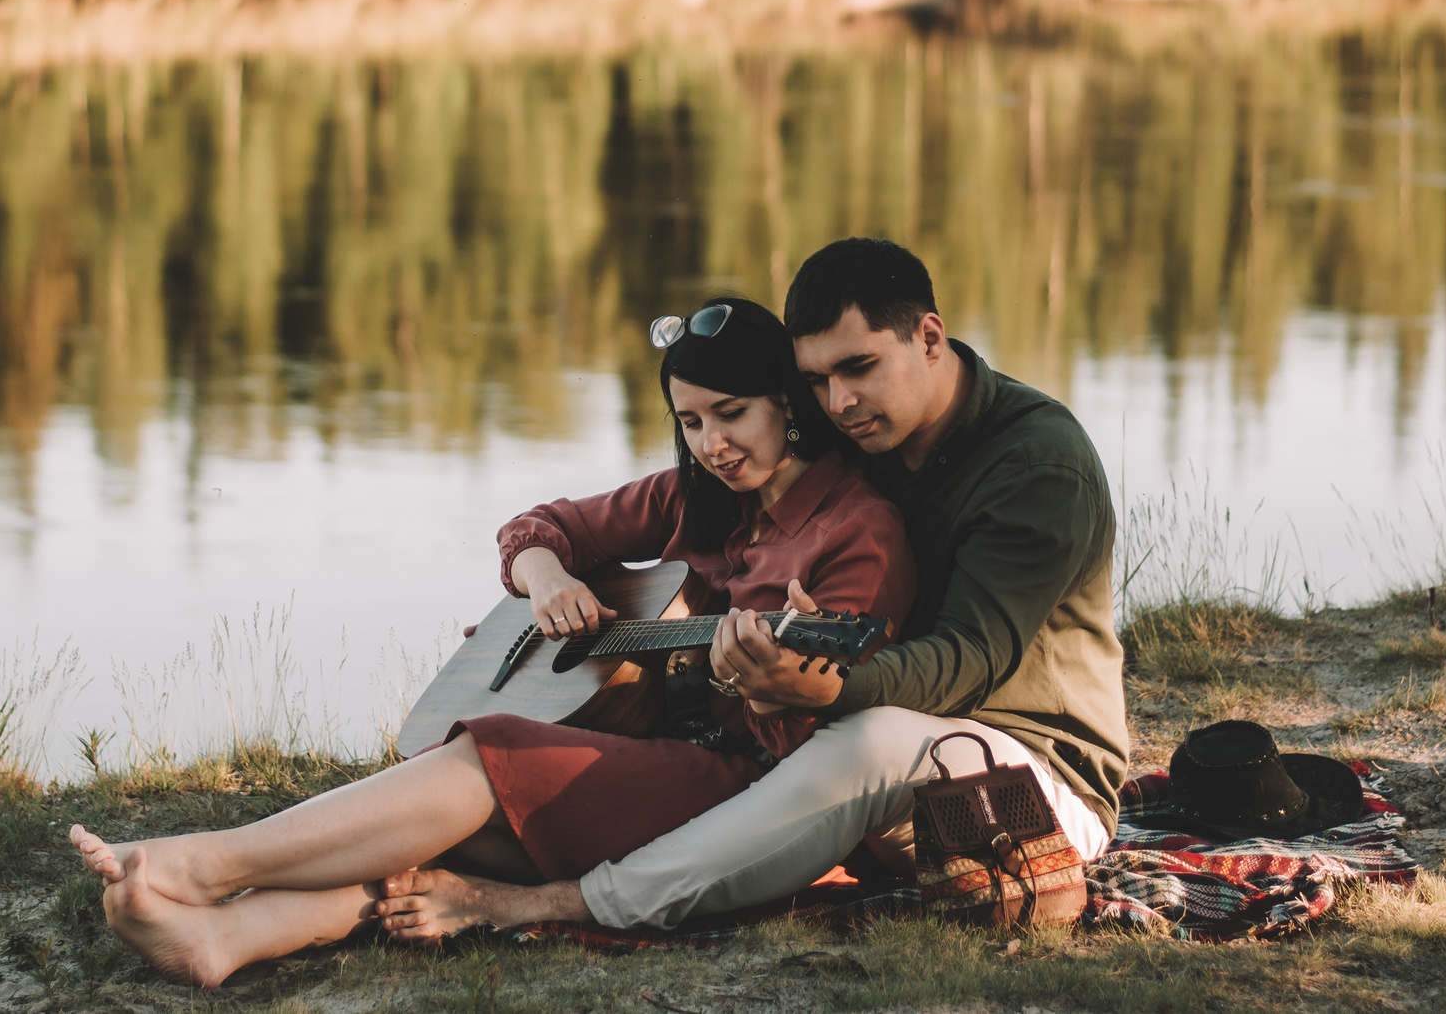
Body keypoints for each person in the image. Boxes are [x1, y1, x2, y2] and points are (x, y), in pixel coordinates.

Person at [67, 295, 916, 987]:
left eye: (731, 416)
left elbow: (826, 728)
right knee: (453, 829)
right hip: (635, 748)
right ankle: (231, 936)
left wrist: (764, 680)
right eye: (689, 422)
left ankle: (208, 867)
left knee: (486, 760)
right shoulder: (695, 494)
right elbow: (538, 526)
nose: (712, 445)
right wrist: (549, 581)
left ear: (789, 403)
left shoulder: (857, 533)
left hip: (742, 792)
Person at [373, 238, 1127, 939]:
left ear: (929, 338)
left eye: (859, 367)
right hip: (878, 778)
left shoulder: (1036, 468)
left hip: (1031, 781)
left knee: (868, 740)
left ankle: (563, 902)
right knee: (839, 744)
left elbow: (964, 660)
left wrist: (819, 687)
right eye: (817, 380)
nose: (838, 402)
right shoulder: (869, 437)